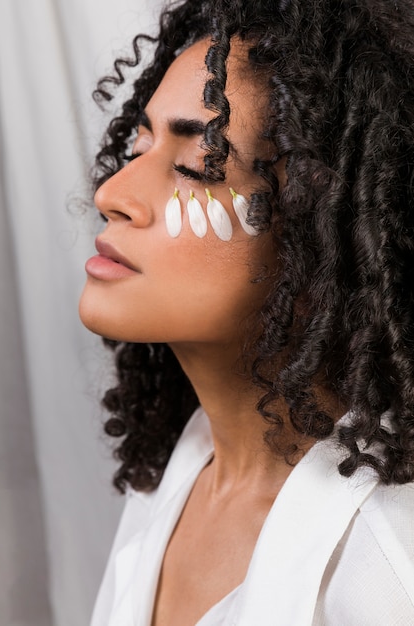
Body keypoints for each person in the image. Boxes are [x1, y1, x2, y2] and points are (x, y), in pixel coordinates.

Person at [79, 0, 414, 624]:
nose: (111, 194)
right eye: (138, 144)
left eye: (193, 166)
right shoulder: (181, 471)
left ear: (325, 238)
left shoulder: (389, 573)